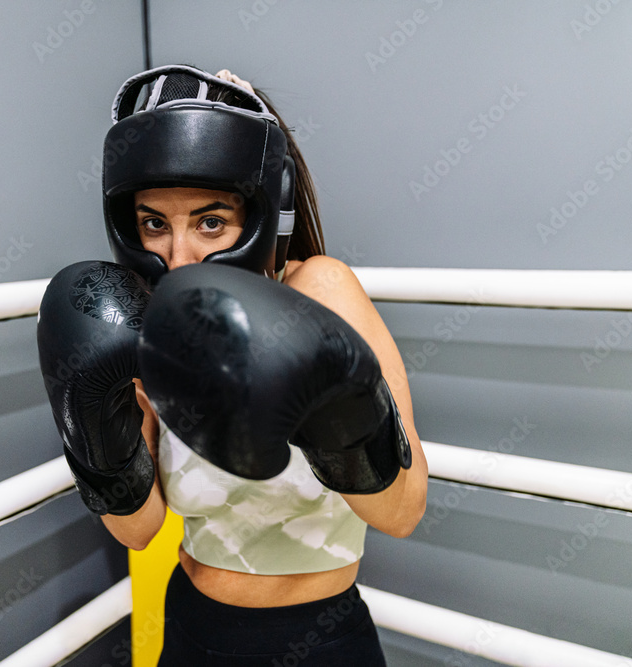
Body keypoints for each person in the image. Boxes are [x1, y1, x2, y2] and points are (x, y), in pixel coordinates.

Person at [38, 65, 427, 665]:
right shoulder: (146, 327)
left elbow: (402, 511)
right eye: (153, 223)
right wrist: (95, 424)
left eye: (211, 221)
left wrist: (332, 411)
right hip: (192, 628)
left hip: (320, 642)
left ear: (267, 212)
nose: (179, 255)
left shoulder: (321, 290)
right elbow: (138, 532)